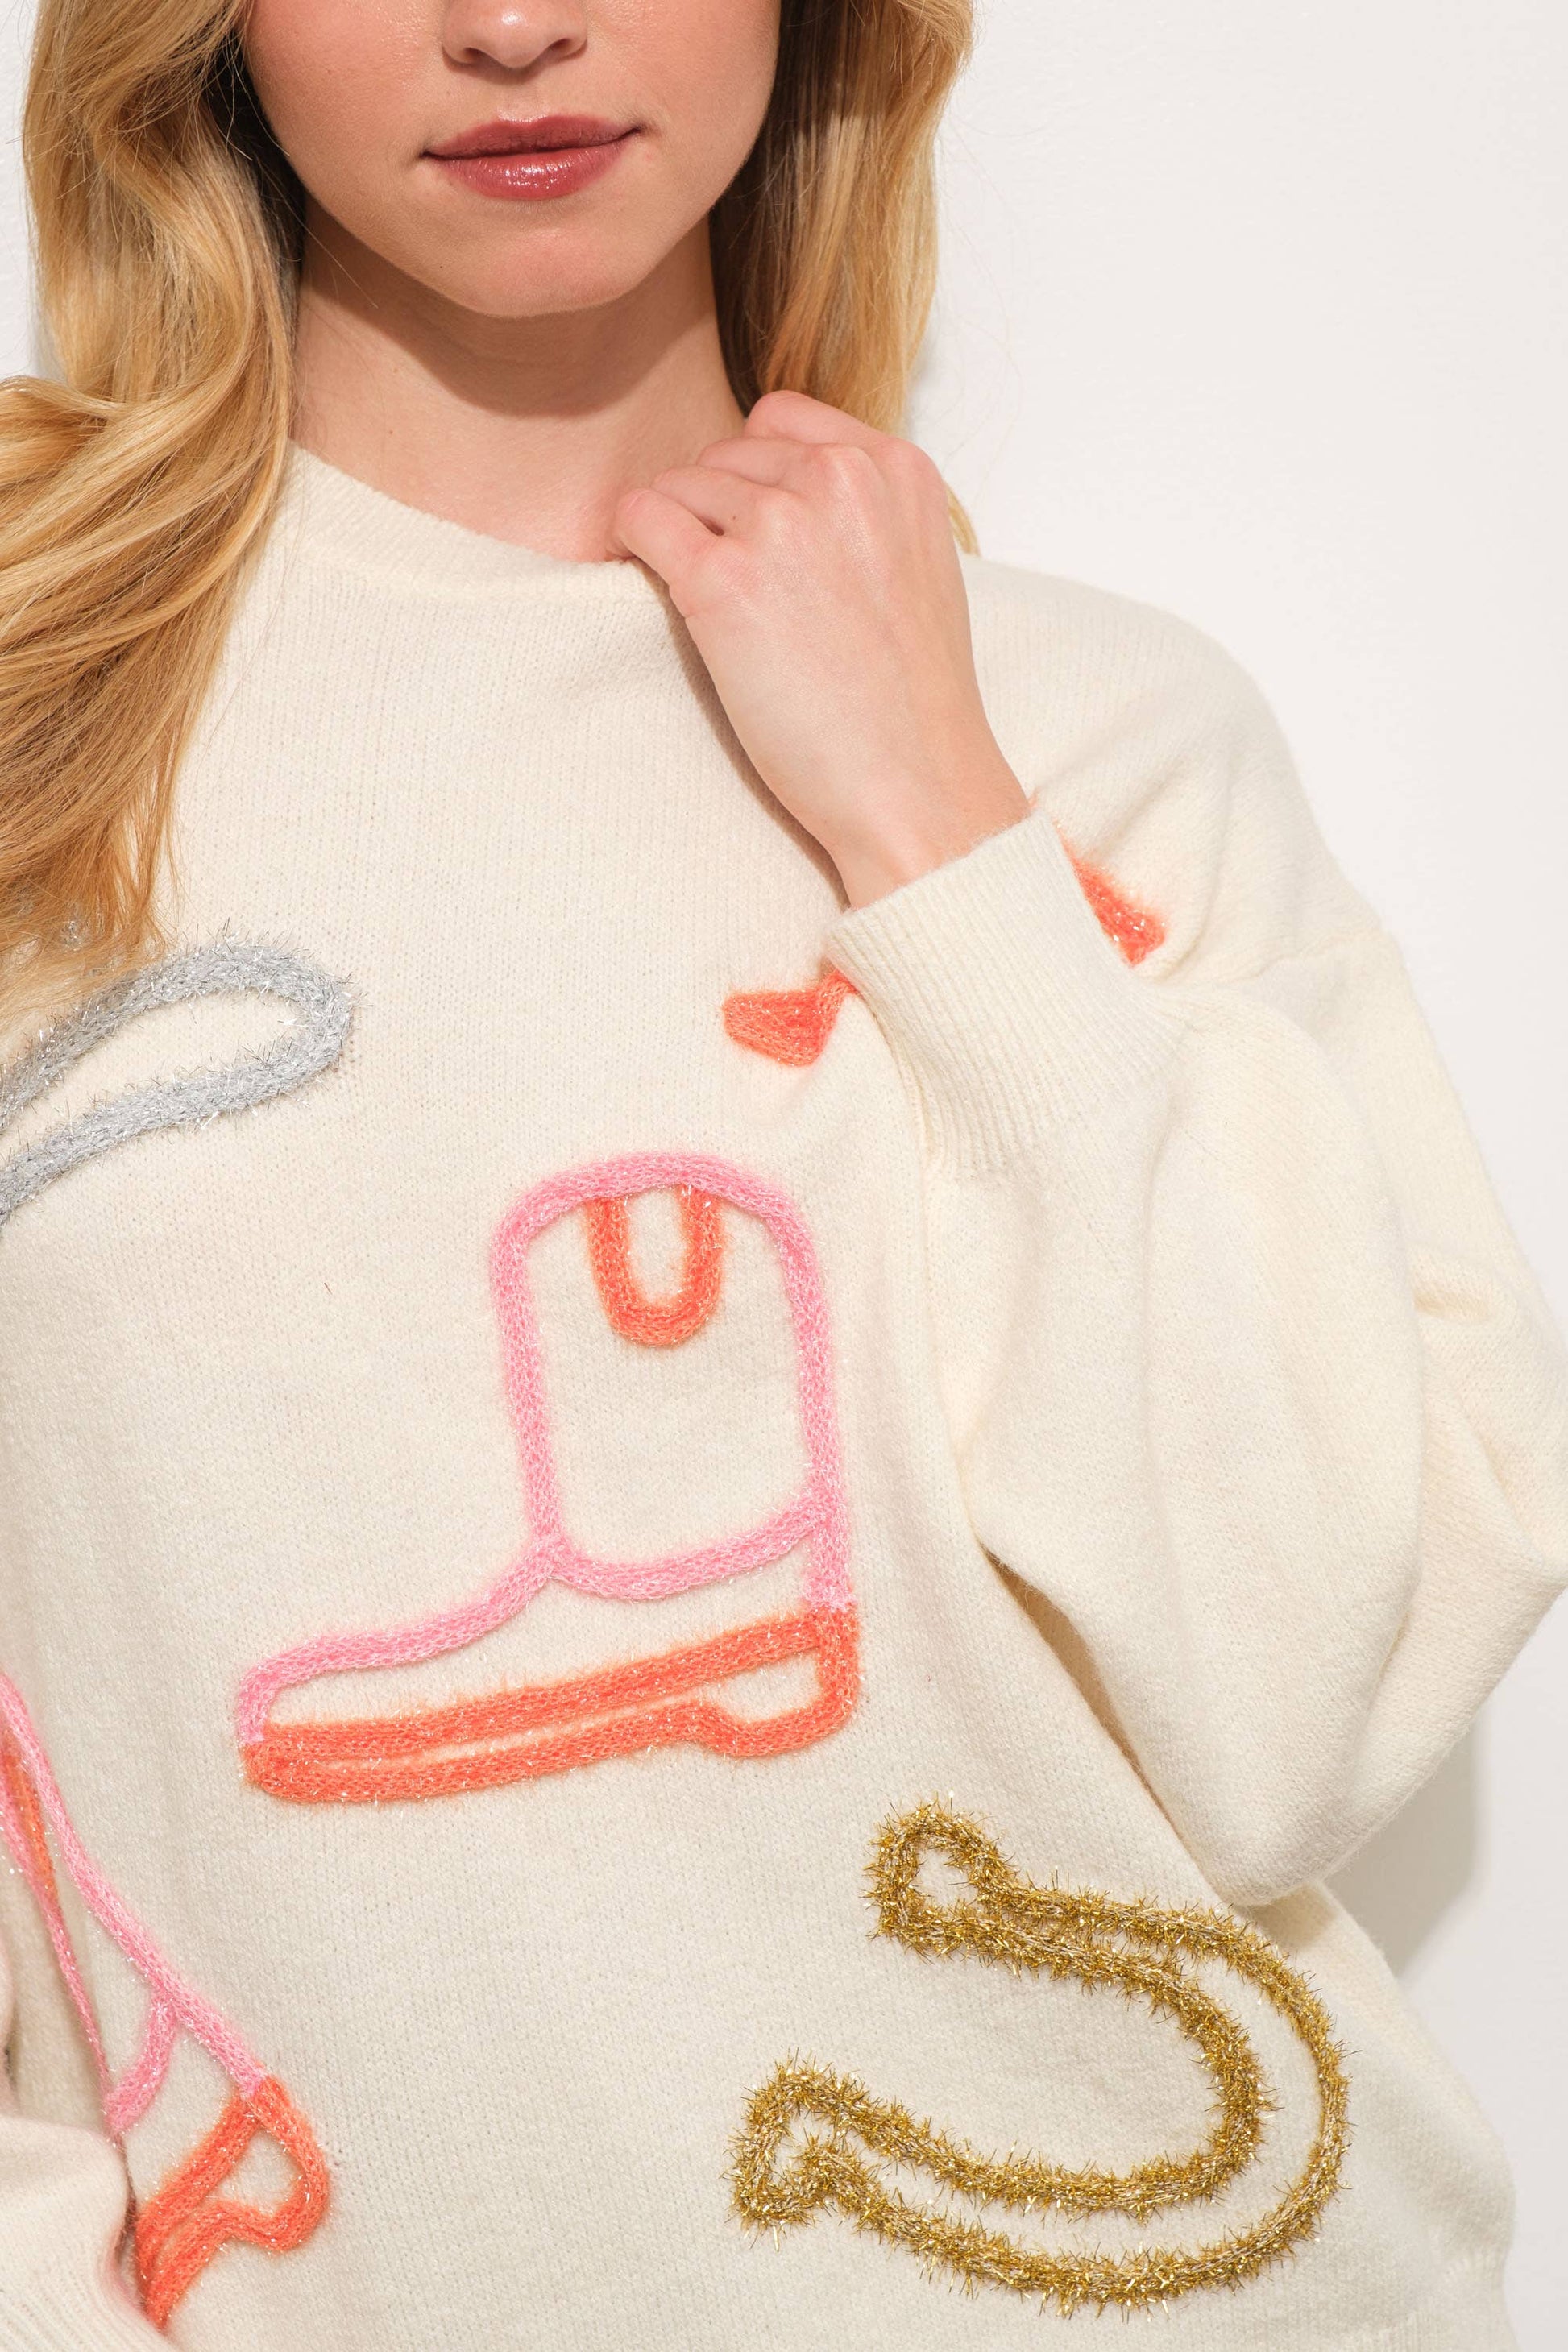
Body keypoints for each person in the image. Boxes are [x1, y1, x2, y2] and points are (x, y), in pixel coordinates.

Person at [0, 2, 1562, 2346]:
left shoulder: (1097, 736)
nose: (512, 23)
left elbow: (1302, 1723)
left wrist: (935, 823)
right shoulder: (45, 729)